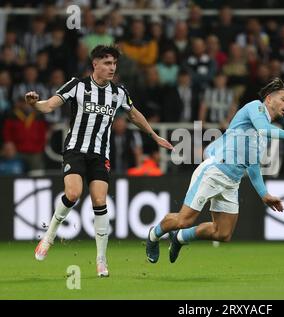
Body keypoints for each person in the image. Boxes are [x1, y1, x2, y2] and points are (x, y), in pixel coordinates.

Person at [25, 45, 173, 277]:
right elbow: (50, 105)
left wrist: (154, 136)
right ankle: (48, 237)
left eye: (114, 64)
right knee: (73, 194)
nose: (112, 68)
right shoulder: (77, 85)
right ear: (95, 64)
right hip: (75, 149)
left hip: (100, 154)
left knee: (100, 201)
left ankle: (101, 260)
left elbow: (134, 115)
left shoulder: (118, 92)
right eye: (107, 63)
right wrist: (35, 103)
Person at [145, 78, 284, 264]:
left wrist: (264, 194)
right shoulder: (255, 108)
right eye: (283, 99)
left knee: (222, 233)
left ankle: (179, 238)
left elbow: (252, 164)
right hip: (214, 171)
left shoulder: (262, 135)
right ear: (269, 99)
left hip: (232, 182)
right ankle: (153, 236)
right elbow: (265, 129)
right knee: (184, 219)